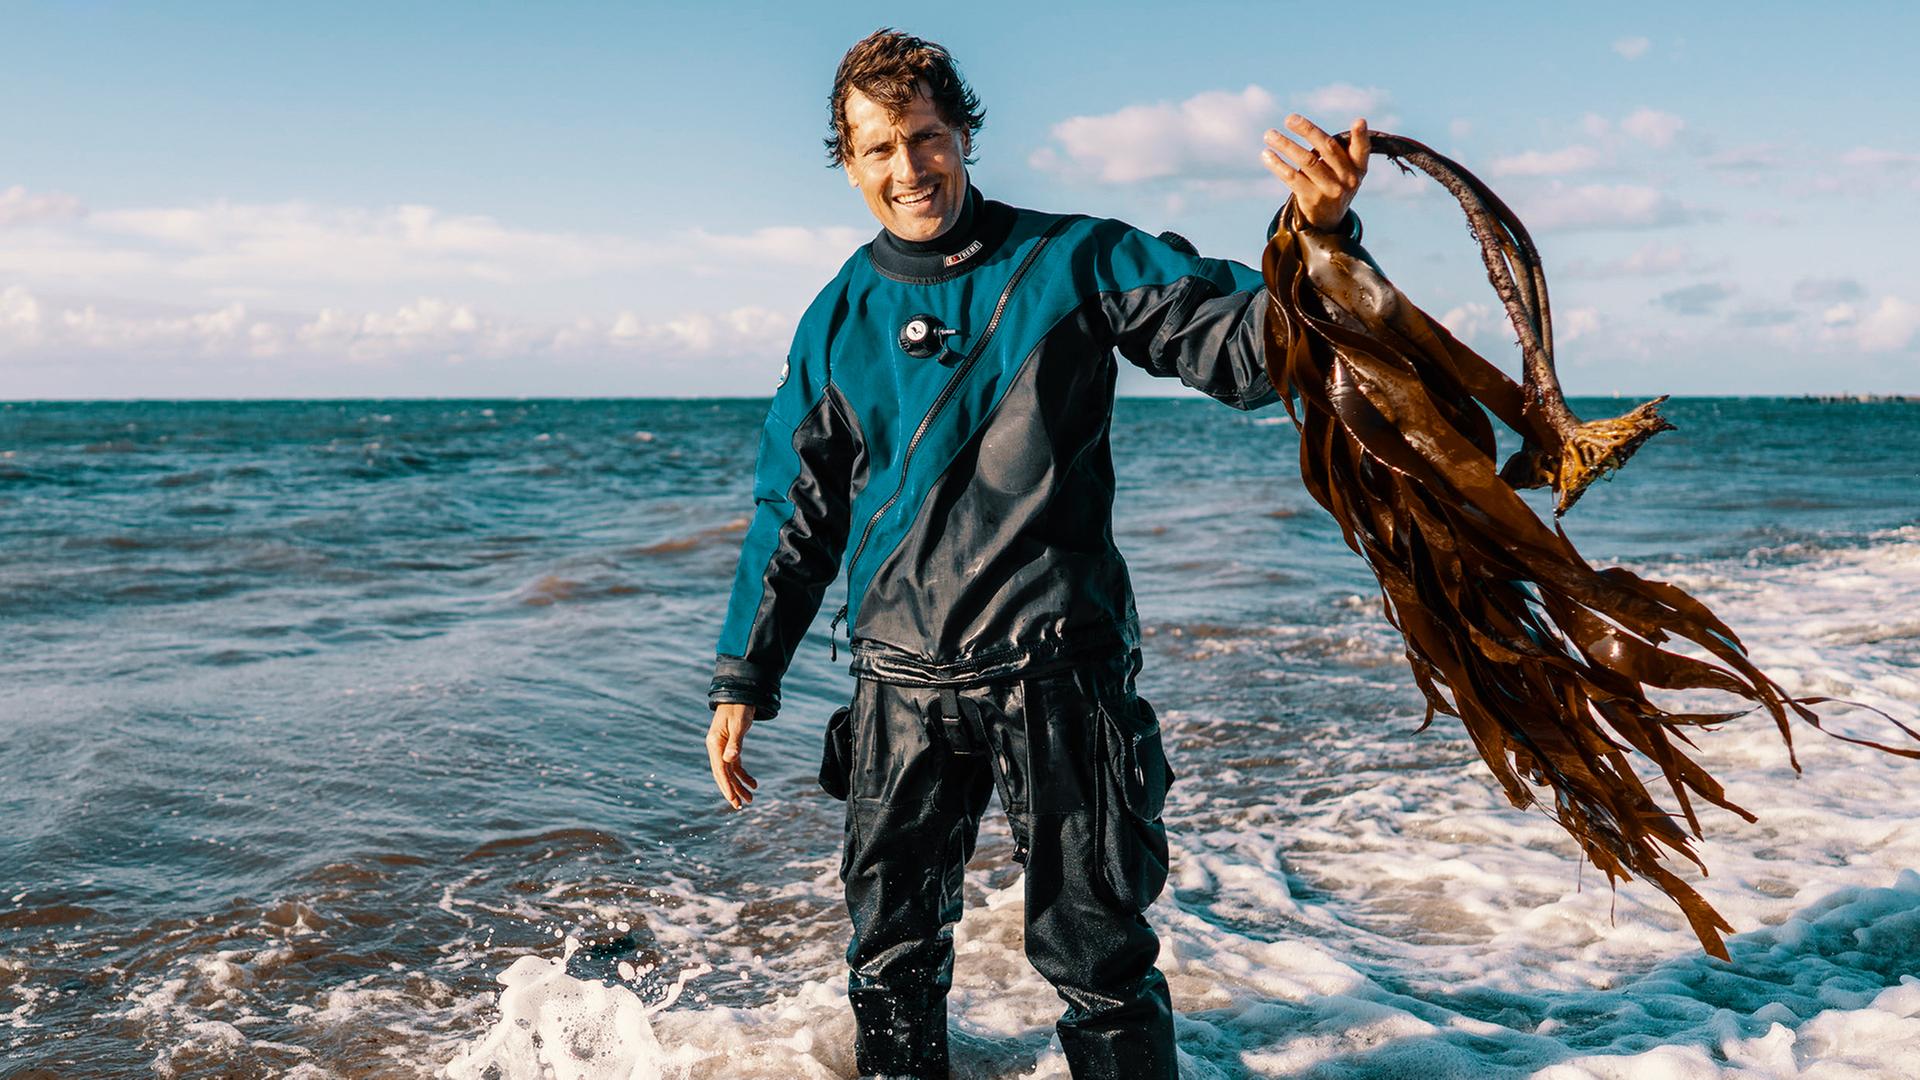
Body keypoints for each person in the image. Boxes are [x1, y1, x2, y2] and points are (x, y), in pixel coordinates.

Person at [703, 28, 1373, 1080]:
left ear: (963, 134)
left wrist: (1320, 237)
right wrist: (746, 674)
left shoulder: (1076, 260)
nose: (906, 168)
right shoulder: (839, 317)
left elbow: (1250, 355)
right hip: (899, 687)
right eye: (876, 149)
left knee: (1099, 960)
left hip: (1060, 674)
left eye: (923, 138)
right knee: (889, 960)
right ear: (848, 162)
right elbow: (795, 507)